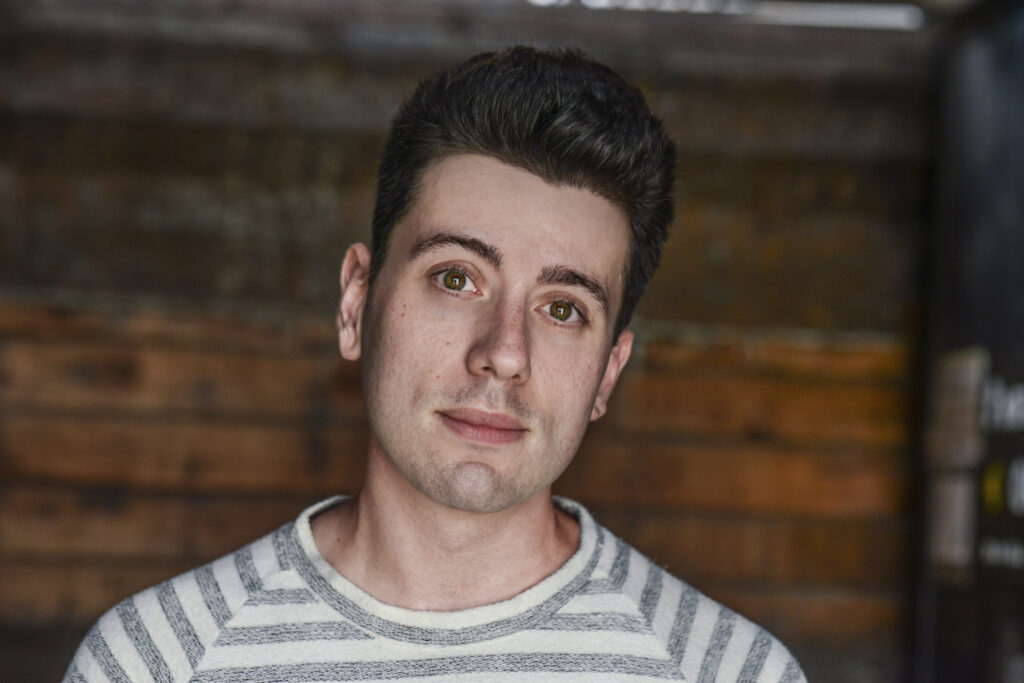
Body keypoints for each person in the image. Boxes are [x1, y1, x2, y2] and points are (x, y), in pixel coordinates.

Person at [63, 47, 807, 682]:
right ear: (357, 302)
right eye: (456, 278)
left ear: (608, 372)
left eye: (562, 308)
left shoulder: (730, 671)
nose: (503, 353)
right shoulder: (153, 661)